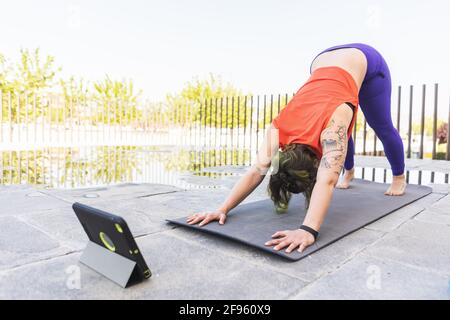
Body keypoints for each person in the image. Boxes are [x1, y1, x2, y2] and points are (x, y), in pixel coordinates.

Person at [187, 43, 406, 254]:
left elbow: (326, 180)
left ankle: (399, 178)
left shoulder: (328, 129)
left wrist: (308, 230)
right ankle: (349, 172)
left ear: (316, 165)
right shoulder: (279, 127)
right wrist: (222, 208)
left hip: (364, 59)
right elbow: (257, 170)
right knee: (338, 131)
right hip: (322, 61)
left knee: (381, 125)